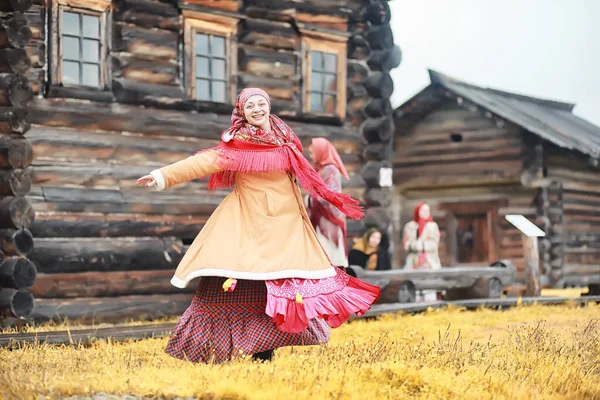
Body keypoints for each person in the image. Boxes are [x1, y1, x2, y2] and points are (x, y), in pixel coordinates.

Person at [136, 88, 380, 364]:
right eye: (249, 105)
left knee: (279, 287)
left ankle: (266, 350)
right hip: (248, 222)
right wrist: (161, 176)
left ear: (268, 106)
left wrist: (334, 200)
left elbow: (308, 178)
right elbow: (203, 162)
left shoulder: (286, 141)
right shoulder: (236, 145)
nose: (256, 109)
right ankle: (219, 349)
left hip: (284, 227)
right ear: (242, 112)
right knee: (240, 282)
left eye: (261, 103)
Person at [306, 138, 349, 269]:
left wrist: (309, 199)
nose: (311, 156)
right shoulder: (321, 169)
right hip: (321, 217)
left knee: (330, 254)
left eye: (313, 152)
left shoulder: (330, 169)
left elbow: (332, 194)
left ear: (321, 151)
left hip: (329, 219)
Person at [402, 201, 441, 301]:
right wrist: (414, 246)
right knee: (413, 284)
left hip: (429, 261)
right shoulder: (410, 226)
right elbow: (406, 244)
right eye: (423, 210)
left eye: (427, 210)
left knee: (429, 286)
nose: (425, 212)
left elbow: (433, 244)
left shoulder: (432, 226)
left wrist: (418, 245)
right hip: (413, 261)